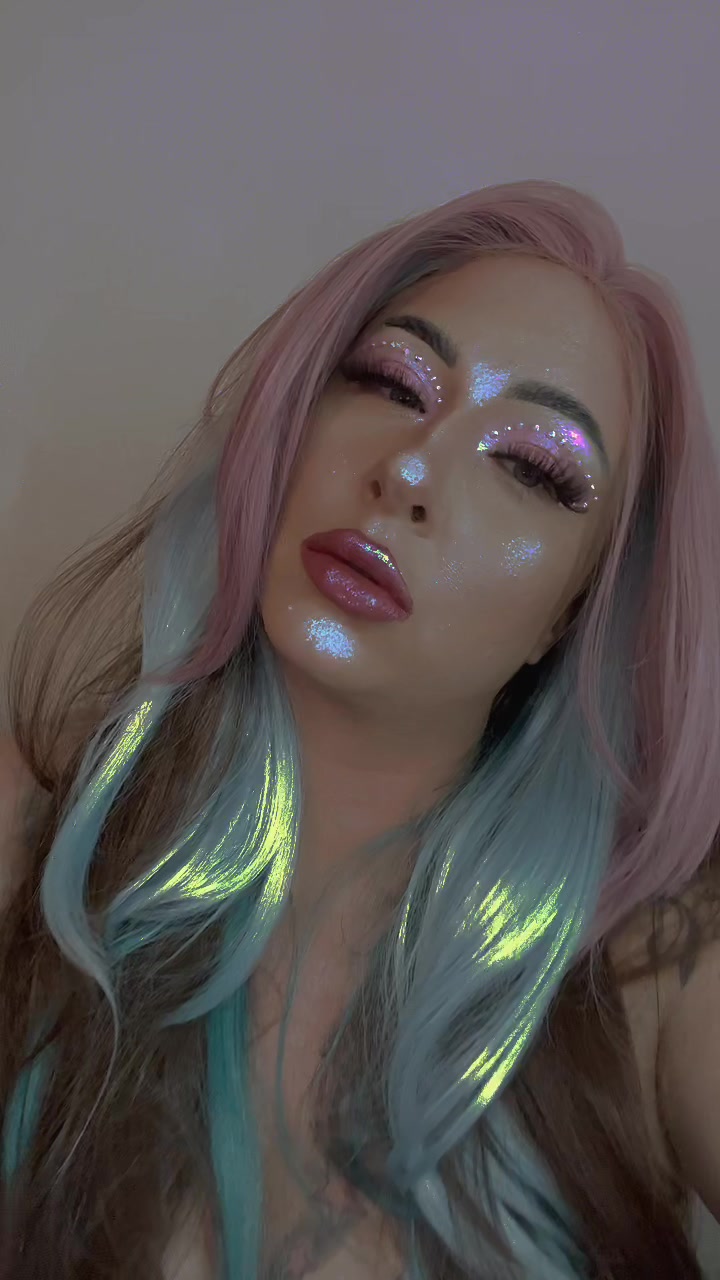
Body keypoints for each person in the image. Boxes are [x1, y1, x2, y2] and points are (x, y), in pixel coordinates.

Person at [1, 179, 719, 1280]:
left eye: (532, 467)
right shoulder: (32, 837)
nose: (411, 469)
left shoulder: (660, 971)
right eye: (392, 382)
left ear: (574, 612)